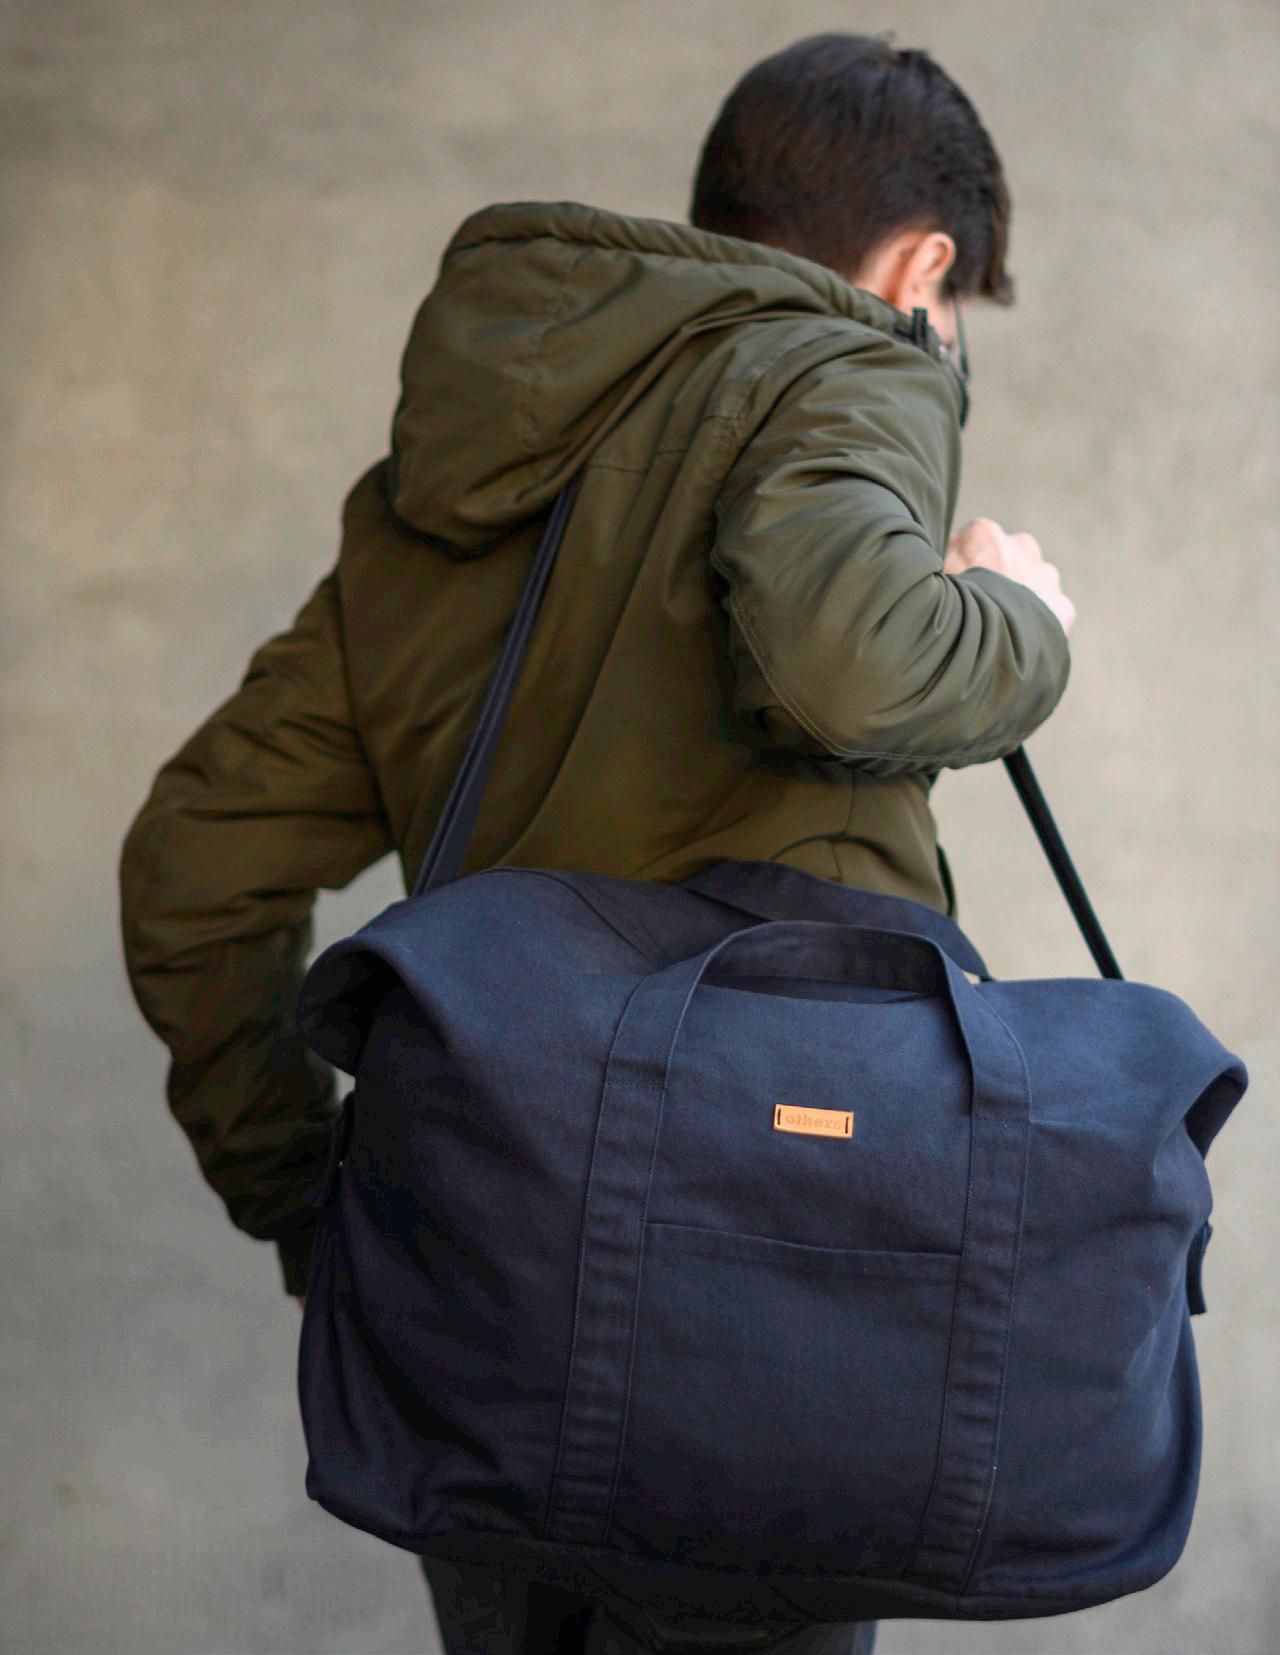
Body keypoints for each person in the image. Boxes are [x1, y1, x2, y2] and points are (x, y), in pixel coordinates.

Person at [118, 28, 1076, 1655]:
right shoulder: (851, 366)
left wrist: (310, 1206)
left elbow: (192, 869)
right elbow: (848, 659)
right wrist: (1019, 620)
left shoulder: (436, 492)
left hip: (474, 1285)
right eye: (958, 311)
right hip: (764, 1286)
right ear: (922, 266)